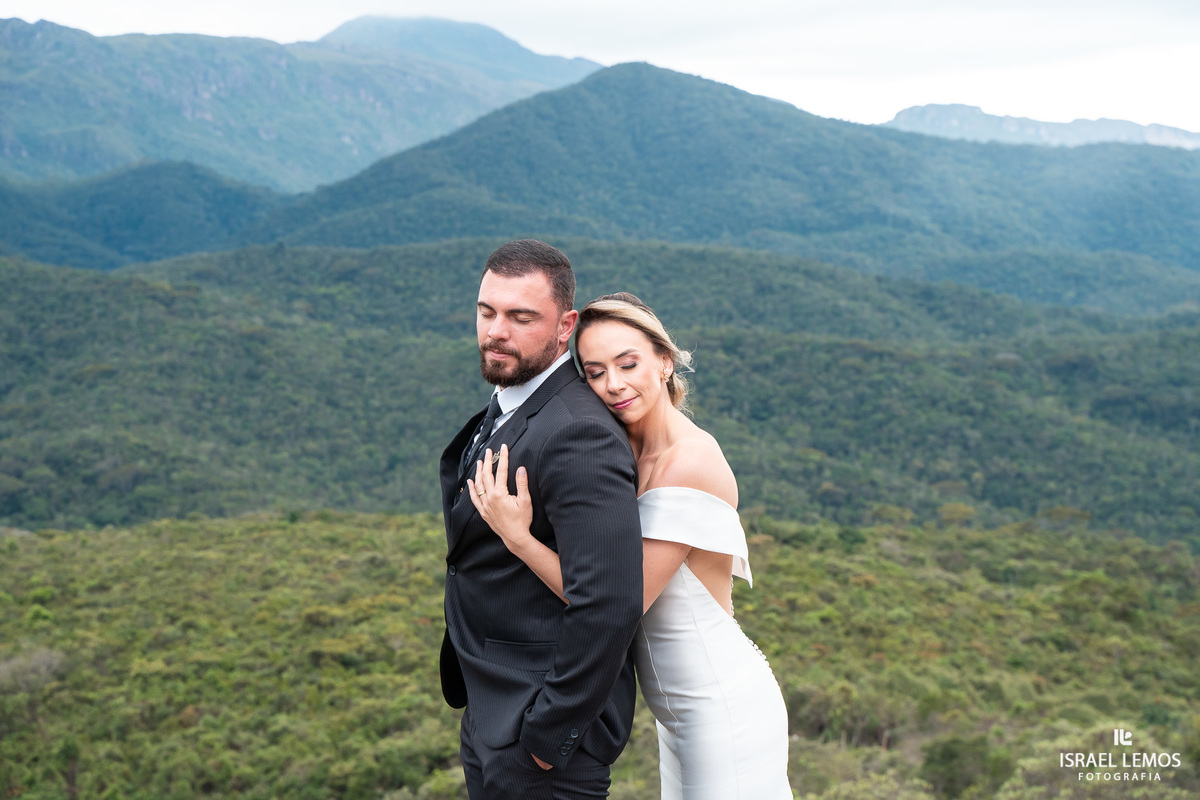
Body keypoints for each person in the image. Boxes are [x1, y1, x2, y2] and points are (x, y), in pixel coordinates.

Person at [469, 292, 792, 799]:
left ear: (664, 361)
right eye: (594, 372)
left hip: (720, 703)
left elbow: (619, 599)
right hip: (676, 711)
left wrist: (519, 539)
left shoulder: (688, 461)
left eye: (628, 363)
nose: (613, 384)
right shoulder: (625, 448)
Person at [438, 241, 644, 800]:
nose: (496, 331)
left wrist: (545, 736)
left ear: (564, 325)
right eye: (486, 312)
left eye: (520, 317)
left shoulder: (579, 432)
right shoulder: (514, 402)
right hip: (490, 710)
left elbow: (610, 604)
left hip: (541, 742)